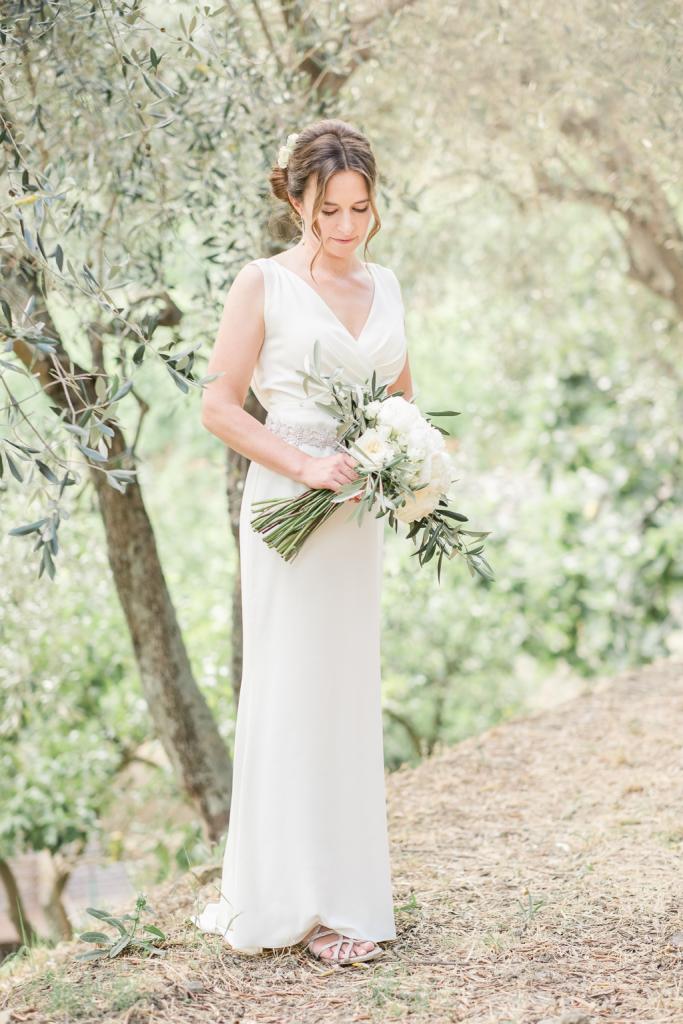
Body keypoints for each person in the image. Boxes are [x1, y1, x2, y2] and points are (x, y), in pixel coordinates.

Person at [192, 118, 414, 966]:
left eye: (360, 208)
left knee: (345, 690)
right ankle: (292, 898)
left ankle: (348, 896)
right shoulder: (263, 285)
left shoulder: (387, 285)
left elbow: (401, 400)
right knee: (289, 688)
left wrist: (408, 466)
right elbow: (217, 406)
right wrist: (305, 465)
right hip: (290, 505)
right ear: (297, 201)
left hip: (357, 517)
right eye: (329, 210)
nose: (346, 228)